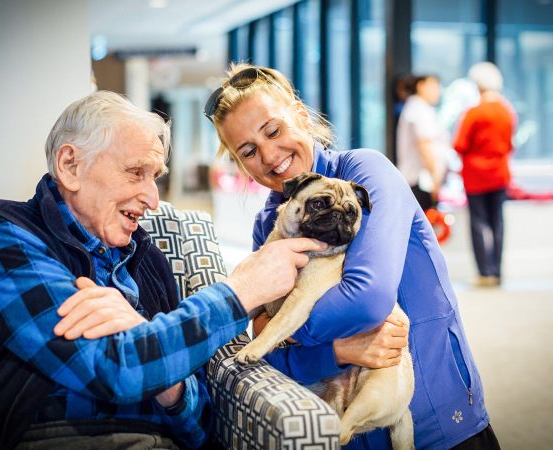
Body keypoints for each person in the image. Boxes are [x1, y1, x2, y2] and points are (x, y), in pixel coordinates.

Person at [0, 90, 390, 450]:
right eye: (136, 173)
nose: (152, 198)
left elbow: (201, 422)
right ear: (70, 166)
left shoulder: (146, 260)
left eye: (156, 176)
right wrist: (239, 292)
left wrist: (166, 378)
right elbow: (115, 371)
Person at [204, 64, 501, 450]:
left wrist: (277, 327)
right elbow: (269, 356)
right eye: (248, 151)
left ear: (298, 112)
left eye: (273, 131)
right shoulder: (271, 223)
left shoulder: (366, 170)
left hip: (436, 419)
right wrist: (335, 351)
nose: (270, 155)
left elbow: (368, 300)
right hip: (343, 431)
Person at [453, 62, 516, 287]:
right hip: (500, 173)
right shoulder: (507, 111)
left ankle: (484, 273)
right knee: (498, 222)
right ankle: (497, 272)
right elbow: (510, 144)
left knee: (478, 223)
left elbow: (459, 144)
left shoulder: (474, 112)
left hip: (476, 176)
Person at [396, 74, 450, 211]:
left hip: (421, 180)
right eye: (433, 87)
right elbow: (424, 145)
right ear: (420, 87)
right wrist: (435, 176)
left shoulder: (421, 108)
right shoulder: (418, 108)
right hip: (419, 180)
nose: (438, 91)